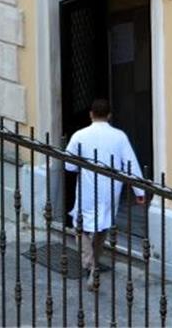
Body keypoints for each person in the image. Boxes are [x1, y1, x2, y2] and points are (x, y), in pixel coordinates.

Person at [64, 98, 146, 285]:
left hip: (87, 187)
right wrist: (139, 192)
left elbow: (69, 165)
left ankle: (90, 264)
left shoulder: (80, 135)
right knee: (103, 225)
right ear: (109, 115)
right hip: (110, 189)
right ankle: (94, 265)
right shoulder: (119, 136)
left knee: (81, 226)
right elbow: (131, 164)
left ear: (91, 114)